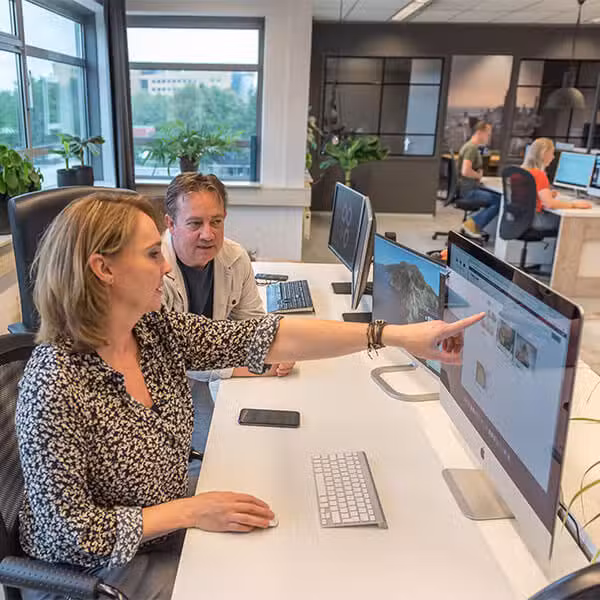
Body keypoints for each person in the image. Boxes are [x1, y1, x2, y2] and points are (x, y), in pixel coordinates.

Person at [17, 192, 483, 599]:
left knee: (289, 536)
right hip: (92, 574)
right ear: (103, 269)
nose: (167, 265)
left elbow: (264, 337)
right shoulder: (55, 382)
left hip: (159, 522)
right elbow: (69, 534)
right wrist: (191, 510)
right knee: (257, 582)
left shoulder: (151, 330)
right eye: (153, 254)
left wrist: (395, 336)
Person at [162, 173, 294, 379]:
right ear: (171, 224)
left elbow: (253, 325)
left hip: (213, 371)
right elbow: (169, 355)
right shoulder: (153, 273)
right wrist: (257, 368)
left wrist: (277, 351)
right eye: (195, 223)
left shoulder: (235, 258)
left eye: (216, 221)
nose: (208, 235)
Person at [522, 138, 592, 229]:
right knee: (572, 222)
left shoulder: (522, 171)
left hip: (521, 219)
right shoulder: (539, 175)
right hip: (535, 220)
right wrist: (574, 205)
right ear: (544, 154)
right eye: (552, 153)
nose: (553, 157)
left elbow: (528, 195)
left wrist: (547, 194)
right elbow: (549, 204)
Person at [457, 121, 501, 239]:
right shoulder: (471, 148)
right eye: (488, 134)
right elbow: (465, 171)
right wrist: (478, 176)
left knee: (497, 196)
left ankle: (475, 225)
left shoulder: (471, 147)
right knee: (499, 201)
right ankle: (472, 225)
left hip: (467, 188)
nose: (489, 137)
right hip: (469, 191)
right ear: (479, 132)